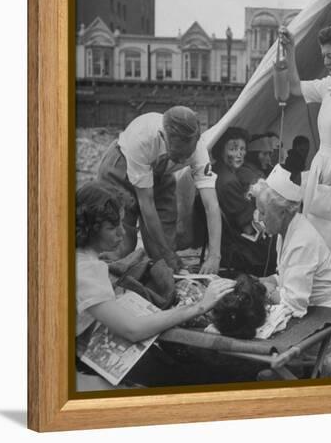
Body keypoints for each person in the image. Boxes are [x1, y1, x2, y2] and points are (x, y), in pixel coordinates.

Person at [75, 181, 235, 389]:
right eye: (112, 227)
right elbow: (133, 330)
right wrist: (200, 306)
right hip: (79, 365)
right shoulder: (86, 269)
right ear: (90, 228)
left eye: (122, 224)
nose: (122, 233)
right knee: (193, 375)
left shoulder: (79, 257)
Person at [279, 19, 331, 374]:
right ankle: (321, 334)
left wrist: (330, 177)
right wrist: (291, 49)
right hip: (322, 173)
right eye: (323, 56)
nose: (326, 61)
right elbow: (296, 88)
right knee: (318, 253)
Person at [97, 106, 222, 274]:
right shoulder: (142, 138)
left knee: (162, 253)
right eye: (178, 156)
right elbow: (146, 205)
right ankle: (103, 286)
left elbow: (211, 205)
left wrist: (214, 256)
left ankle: (160, 288)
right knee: (122, 245)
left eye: (187, 156)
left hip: (160, 173)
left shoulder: (199, 150)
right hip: (121, 169)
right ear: (163, 136)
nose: (183, 160)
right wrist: (167, 254)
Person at [251, 164, 331, 372]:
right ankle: (296, 371)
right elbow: (285, 274)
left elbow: (294, 305)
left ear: (283, 212)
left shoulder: (302, 240)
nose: (259, 218)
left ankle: (312, 369)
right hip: (311, 311)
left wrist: (264, 290)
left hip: (324, 322)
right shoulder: (285, 232)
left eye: (264, 212)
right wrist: (267, 281)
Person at [211, 127, 275, 276]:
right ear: (221, 150)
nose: (239, 154)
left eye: (242, 149)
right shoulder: (228, 182)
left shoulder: (219, 171)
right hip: (238, 245)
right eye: (233, 149)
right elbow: (248, 228)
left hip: (228, 237)